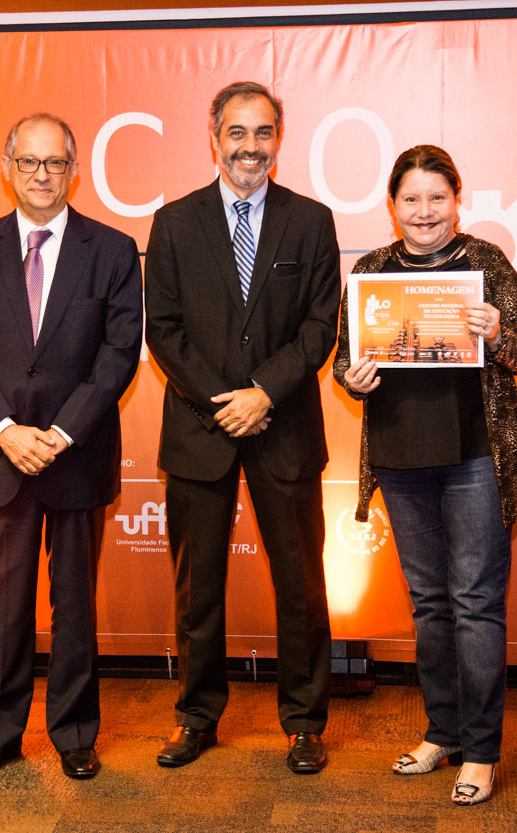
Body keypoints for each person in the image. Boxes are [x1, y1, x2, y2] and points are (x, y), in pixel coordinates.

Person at [333, 144, 517, 805]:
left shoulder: (486, 262)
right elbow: (344, 361)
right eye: (411, 199)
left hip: (475, 457)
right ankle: (441, 731)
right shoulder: (370, 270)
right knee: (429, 605)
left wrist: (497, 334)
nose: (424, 211)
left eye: (436, 197)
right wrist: (353, 377)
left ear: (457, 201)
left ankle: (479, 752)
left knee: (475, 604)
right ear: (392, 206)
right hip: (400, 459)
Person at [145, 81, 340, 774]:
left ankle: (305, 720)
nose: (249, 147)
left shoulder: (310, 221)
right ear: (213, 136)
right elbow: (163, 329)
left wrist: (262, 393)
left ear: (278, 139)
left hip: (284, 428)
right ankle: (196, 716)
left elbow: (319, 325)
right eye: (237, 132)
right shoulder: (173, 222)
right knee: (196, 589)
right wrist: (223, 401)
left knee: (300, 585)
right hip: (200, 430)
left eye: (262, 133)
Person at [0, 113, 143, 781]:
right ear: (7, 168)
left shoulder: (112, 249)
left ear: (73, 171)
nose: (40, 175)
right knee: (3, 605)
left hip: (74, 454)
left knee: (74, 605)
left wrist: (60, 433)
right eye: (28, 162)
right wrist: (5, 430)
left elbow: (117, 355)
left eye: (54, 163)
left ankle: (75, 733)